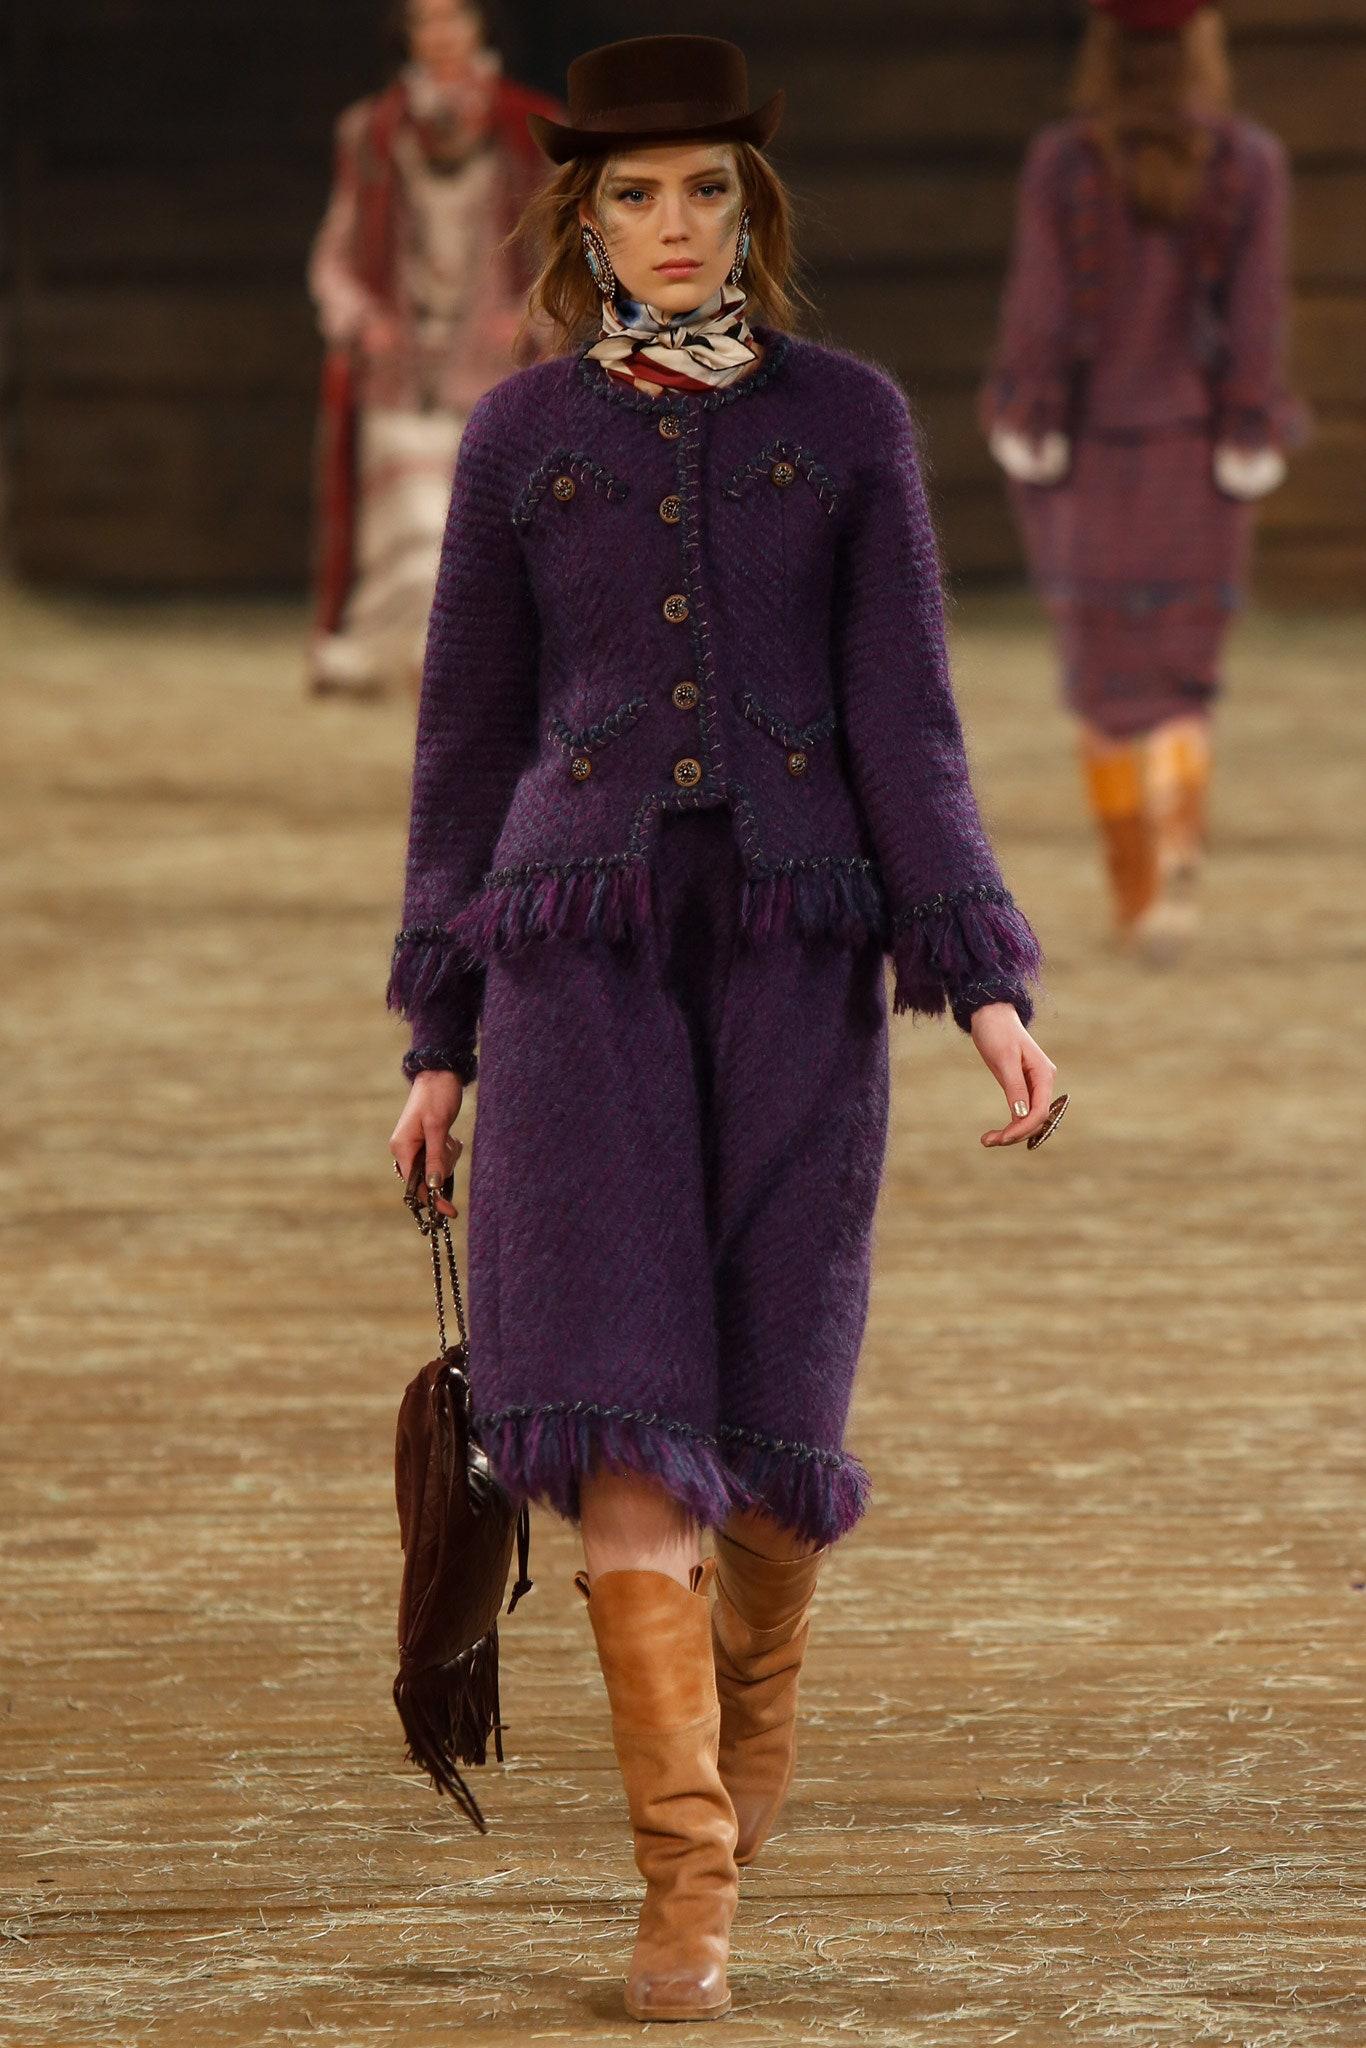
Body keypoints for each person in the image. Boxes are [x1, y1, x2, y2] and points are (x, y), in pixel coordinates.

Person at [385, 34, 1055, 2022]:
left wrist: (985, 981)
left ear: (747, 205)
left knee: (767, 1428)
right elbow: (462, 745)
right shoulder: (522, 439)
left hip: (793, 956)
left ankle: (745, 1738)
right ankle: (684, 1892)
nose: (668, 229)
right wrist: (437, 1031)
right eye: (629, 197)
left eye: (699, 192)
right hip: (570, 956)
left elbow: (909, 722)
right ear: (577, 219)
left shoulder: (846, 425)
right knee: (602, 1408)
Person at [980, 0, 1305, 961]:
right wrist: (1250, 423)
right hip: (1200, 459)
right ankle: (1176, 875)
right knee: (1182, 678)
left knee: (1104, 683)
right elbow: (1256, 319)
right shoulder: (1250, 164)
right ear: (1205, 44)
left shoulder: (1064, 164)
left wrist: (1029, 411)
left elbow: (1038, 311)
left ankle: (1135, 890)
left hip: (1085, 457)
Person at [306, 0, 560, 699]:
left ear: (483, 27)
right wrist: (360, 317)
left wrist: (530, 313)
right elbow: (337, 249)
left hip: (498, 364)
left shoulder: (535, 128)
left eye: (455, 17)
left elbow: (572, 249)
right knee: (417, 505)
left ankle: (472, 659)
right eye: (426, 20)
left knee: (481, 509)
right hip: (405, 364)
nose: (442, 34)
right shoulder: (374, 131)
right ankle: (414, 653)